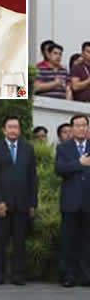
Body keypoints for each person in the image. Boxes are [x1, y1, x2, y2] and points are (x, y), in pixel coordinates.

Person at [0, 116, 37, 285]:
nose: (13, 130)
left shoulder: (28, 149)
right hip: (2, 203)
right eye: (10, 127)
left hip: (22, 204)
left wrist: (32, 203)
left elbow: (32, 178)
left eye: (16, 127)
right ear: (4, 130)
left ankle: (18, 275)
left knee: (19, 242)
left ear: (20, 130)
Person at [55, 114, 90, 288]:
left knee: (87, 241)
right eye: (78, 125)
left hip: (88, 202)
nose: (81, 128)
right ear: (72, 128)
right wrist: (79, 163)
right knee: (69, 241)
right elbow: (60, 169)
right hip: (70, 202)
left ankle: (86, 276)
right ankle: (68, 275)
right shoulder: (63, 148)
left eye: (84, 125)